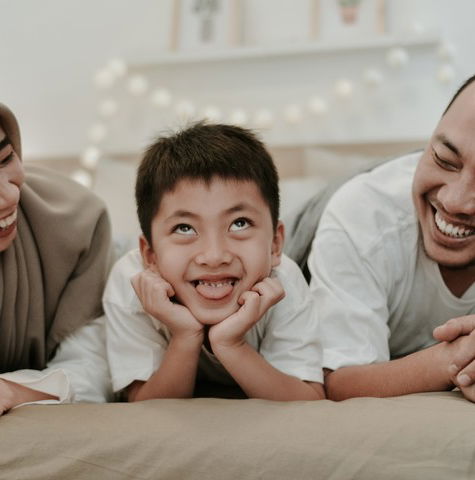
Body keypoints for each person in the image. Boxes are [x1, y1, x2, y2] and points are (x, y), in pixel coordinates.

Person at [104, 123, 324, 401]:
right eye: (185, 228)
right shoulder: (131, 285)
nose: (214, 256)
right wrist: (184, 337)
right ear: (150, 256)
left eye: (239, 223)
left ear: (276, 244)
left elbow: (310, 400)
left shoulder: (284, 283)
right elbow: (144, 403)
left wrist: (232, 344)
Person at [304, 74, 475, 402]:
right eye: (444, 160)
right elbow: (338, 380)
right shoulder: (363, 214)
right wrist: (452, 360)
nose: (455, 202)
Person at [0, 103, 114, 414]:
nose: (9, 196)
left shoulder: (78, 223)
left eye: (5, 159)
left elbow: (92, 373)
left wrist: (11, 391)